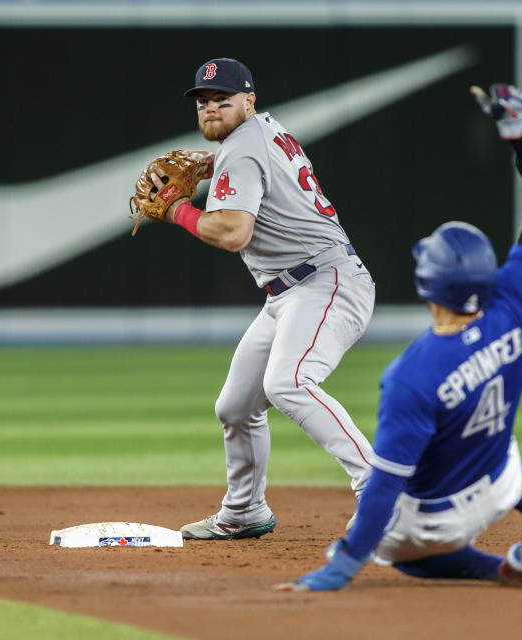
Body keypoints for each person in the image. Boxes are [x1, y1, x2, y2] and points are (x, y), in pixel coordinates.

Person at [276, 83, 522, 590]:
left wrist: (341, 565)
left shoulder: (414, 372)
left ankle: (499, 567)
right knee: (502, 444)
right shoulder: (514, 302)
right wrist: (520, 137)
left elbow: (385, 484)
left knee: (397, 549)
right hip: (499, 486)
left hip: (433, 524)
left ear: (427, 286)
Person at [145, 58, 377, 540]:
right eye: (203, 102)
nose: (210, 109)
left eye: (222, 100)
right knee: (235, 406)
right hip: (291, 291)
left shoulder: (242, 149)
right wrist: (213, 164)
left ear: (250, 100)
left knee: (289, 383)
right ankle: (245, 510)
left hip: (326, 281)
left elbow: (232, 232)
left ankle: (380, 488)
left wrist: (175, 211)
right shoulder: (261, 134)